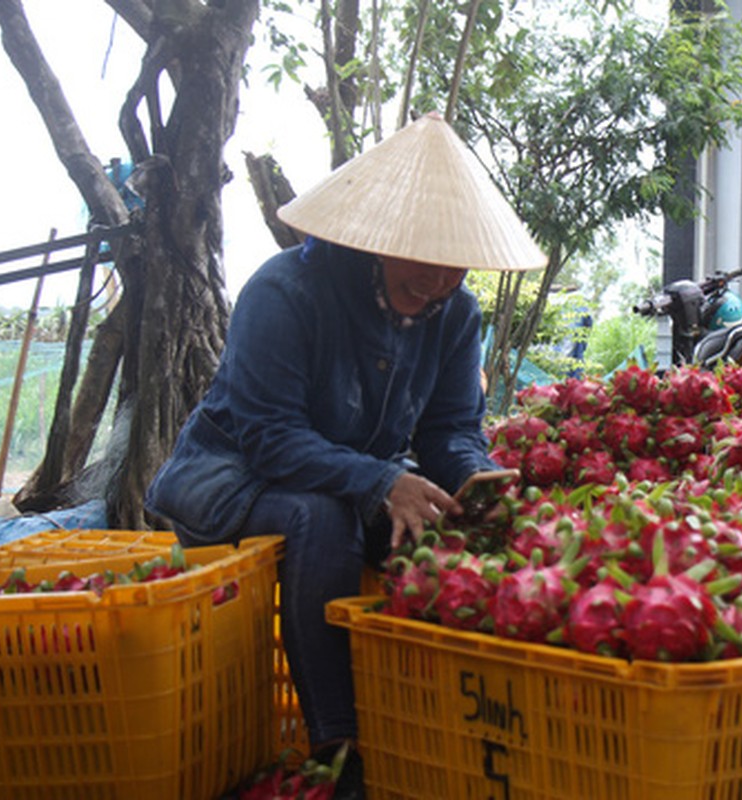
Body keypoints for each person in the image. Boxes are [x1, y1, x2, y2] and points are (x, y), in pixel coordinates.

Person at [144, 112, 545, 799]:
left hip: (352, 482)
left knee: (442, 537)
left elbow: (449, 428)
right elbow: (269, 435)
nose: (442, 280)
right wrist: (383, 479)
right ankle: (339, 749)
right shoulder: (285, 292)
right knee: (320, 515)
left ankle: (430, 724)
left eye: (457, 265)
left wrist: (473, 475)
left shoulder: (457, 315)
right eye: (425, 259)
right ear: (378, 241)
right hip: (230, 477)